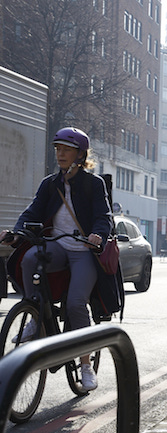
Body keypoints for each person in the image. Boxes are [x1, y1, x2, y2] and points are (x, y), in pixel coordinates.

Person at [1, 127, 113, 391]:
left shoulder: (93, 184)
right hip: (57, 247)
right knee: (29, 258)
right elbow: (33, 211)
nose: (60, 154)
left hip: (83, 251)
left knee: (76, 304)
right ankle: (35, 316)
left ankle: (86, 367)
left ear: (80, 154)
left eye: (66, 149)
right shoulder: (50, 183)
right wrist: (16, 234)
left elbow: (103, 216)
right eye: (57, 149)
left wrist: (98, 234)